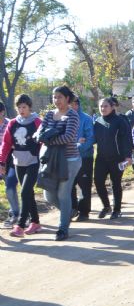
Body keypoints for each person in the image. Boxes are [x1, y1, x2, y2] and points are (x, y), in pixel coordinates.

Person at [35, 85, 82, 241]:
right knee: (48, 195)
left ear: (67, 98)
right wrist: (45, 137)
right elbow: (40, 134)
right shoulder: (49, 114)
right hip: (51, 159)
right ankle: (67, 212)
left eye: (59, 97)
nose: (56, 100)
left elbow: (69, 137)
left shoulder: (72, 115)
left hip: (70, 160)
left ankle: (63, 229)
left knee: (63, 193)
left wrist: (50, 139)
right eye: (54, 97)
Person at [0, 95, 41, 237]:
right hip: (18, 162)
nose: (21, 110)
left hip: (34, 161)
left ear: (30, 107)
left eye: (24, 107)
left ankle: (20, 226)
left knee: (24, 192)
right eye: (19, 107)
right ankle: (35, 222)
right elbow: (6, 144)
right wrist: (2, 162)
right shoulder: (12, 123)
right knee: (28, 193)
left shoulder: (36, 122)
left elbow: (43, 142)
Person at [93, 97, 133, 219]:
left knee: (115, 184)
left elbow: (127, 139)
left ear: (112, 107)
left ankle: (117, 210)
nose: (103, 108)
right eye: (101, 106)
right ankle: (106, 206)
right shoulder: (98, 121)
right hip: (101, 158)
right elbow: (95, 138)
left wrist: (128, 156)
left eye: (105, 106)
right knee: (98, 182)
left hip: (117, 158)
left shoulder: (120, 121)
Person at [70, 97, 95, 222]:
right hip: (68, 158)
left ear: (76, 104)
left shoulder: (86, 119)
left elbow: (90, 139)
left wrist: (75, 147)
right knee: (69, 185)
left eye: (72, 104)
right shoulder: (64, 118)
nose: (69, 107)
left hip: (84, 157)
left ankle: (84, 212)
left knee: (84, 185)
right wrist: (75, 143)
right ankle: (73, 209)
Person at [0, 103, 20, 228]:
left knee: (10, 187)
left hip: (9, 160)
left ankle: (16, 214)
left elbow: (13, 144)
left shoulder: (10, 125)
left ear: (2, 112)